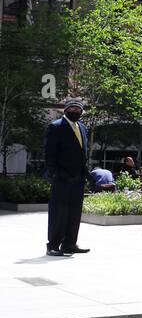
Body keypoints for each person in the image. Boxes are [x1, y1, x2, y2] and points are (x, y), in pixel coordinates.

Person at [43, 99, 91, 256]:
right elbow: (49, 154)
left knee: (74, 213)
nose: (76, 112)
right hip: (62, 178)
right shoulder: (55, 127)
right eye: (73, 109)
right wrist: (55, 174)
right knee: (59, 212)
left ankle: (69, 244)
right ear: (65, 110)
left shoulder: (82, 128)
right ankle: (53, 245)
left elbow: (82, 153)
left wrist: (87, 175)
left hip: (78, 179)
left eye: (79, 110)